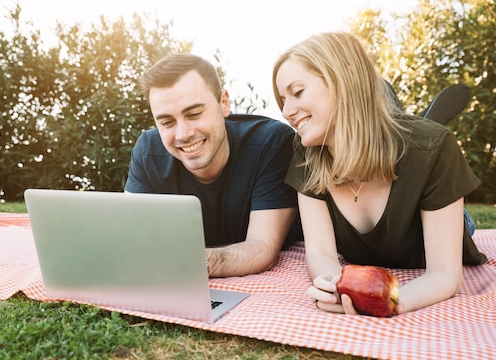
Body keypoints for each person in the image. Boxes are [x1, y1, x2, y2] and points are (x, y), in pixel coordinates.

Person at [272, 32, 486, 315]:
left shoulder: (436, 145)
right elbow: (321, 254)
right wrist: (336, 287)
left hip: (429, 223)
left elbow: (445, 274)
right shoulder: (306, 152)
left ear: (344, 78)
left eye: (297, 92)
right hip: (382, 239)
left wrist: (388, 302)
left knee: (459, 218)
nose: (287, 111)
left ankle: (410, 127)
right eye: (282, 100)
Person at [125, 53, 301, 278]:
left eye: (195, 114)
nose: (184, 134)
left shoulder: (271, 143)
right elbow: (131, 240)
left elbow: (262, 248)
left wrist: (188, 265)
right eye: (167, 122)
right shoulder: (148, 151)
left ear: (224, 103)